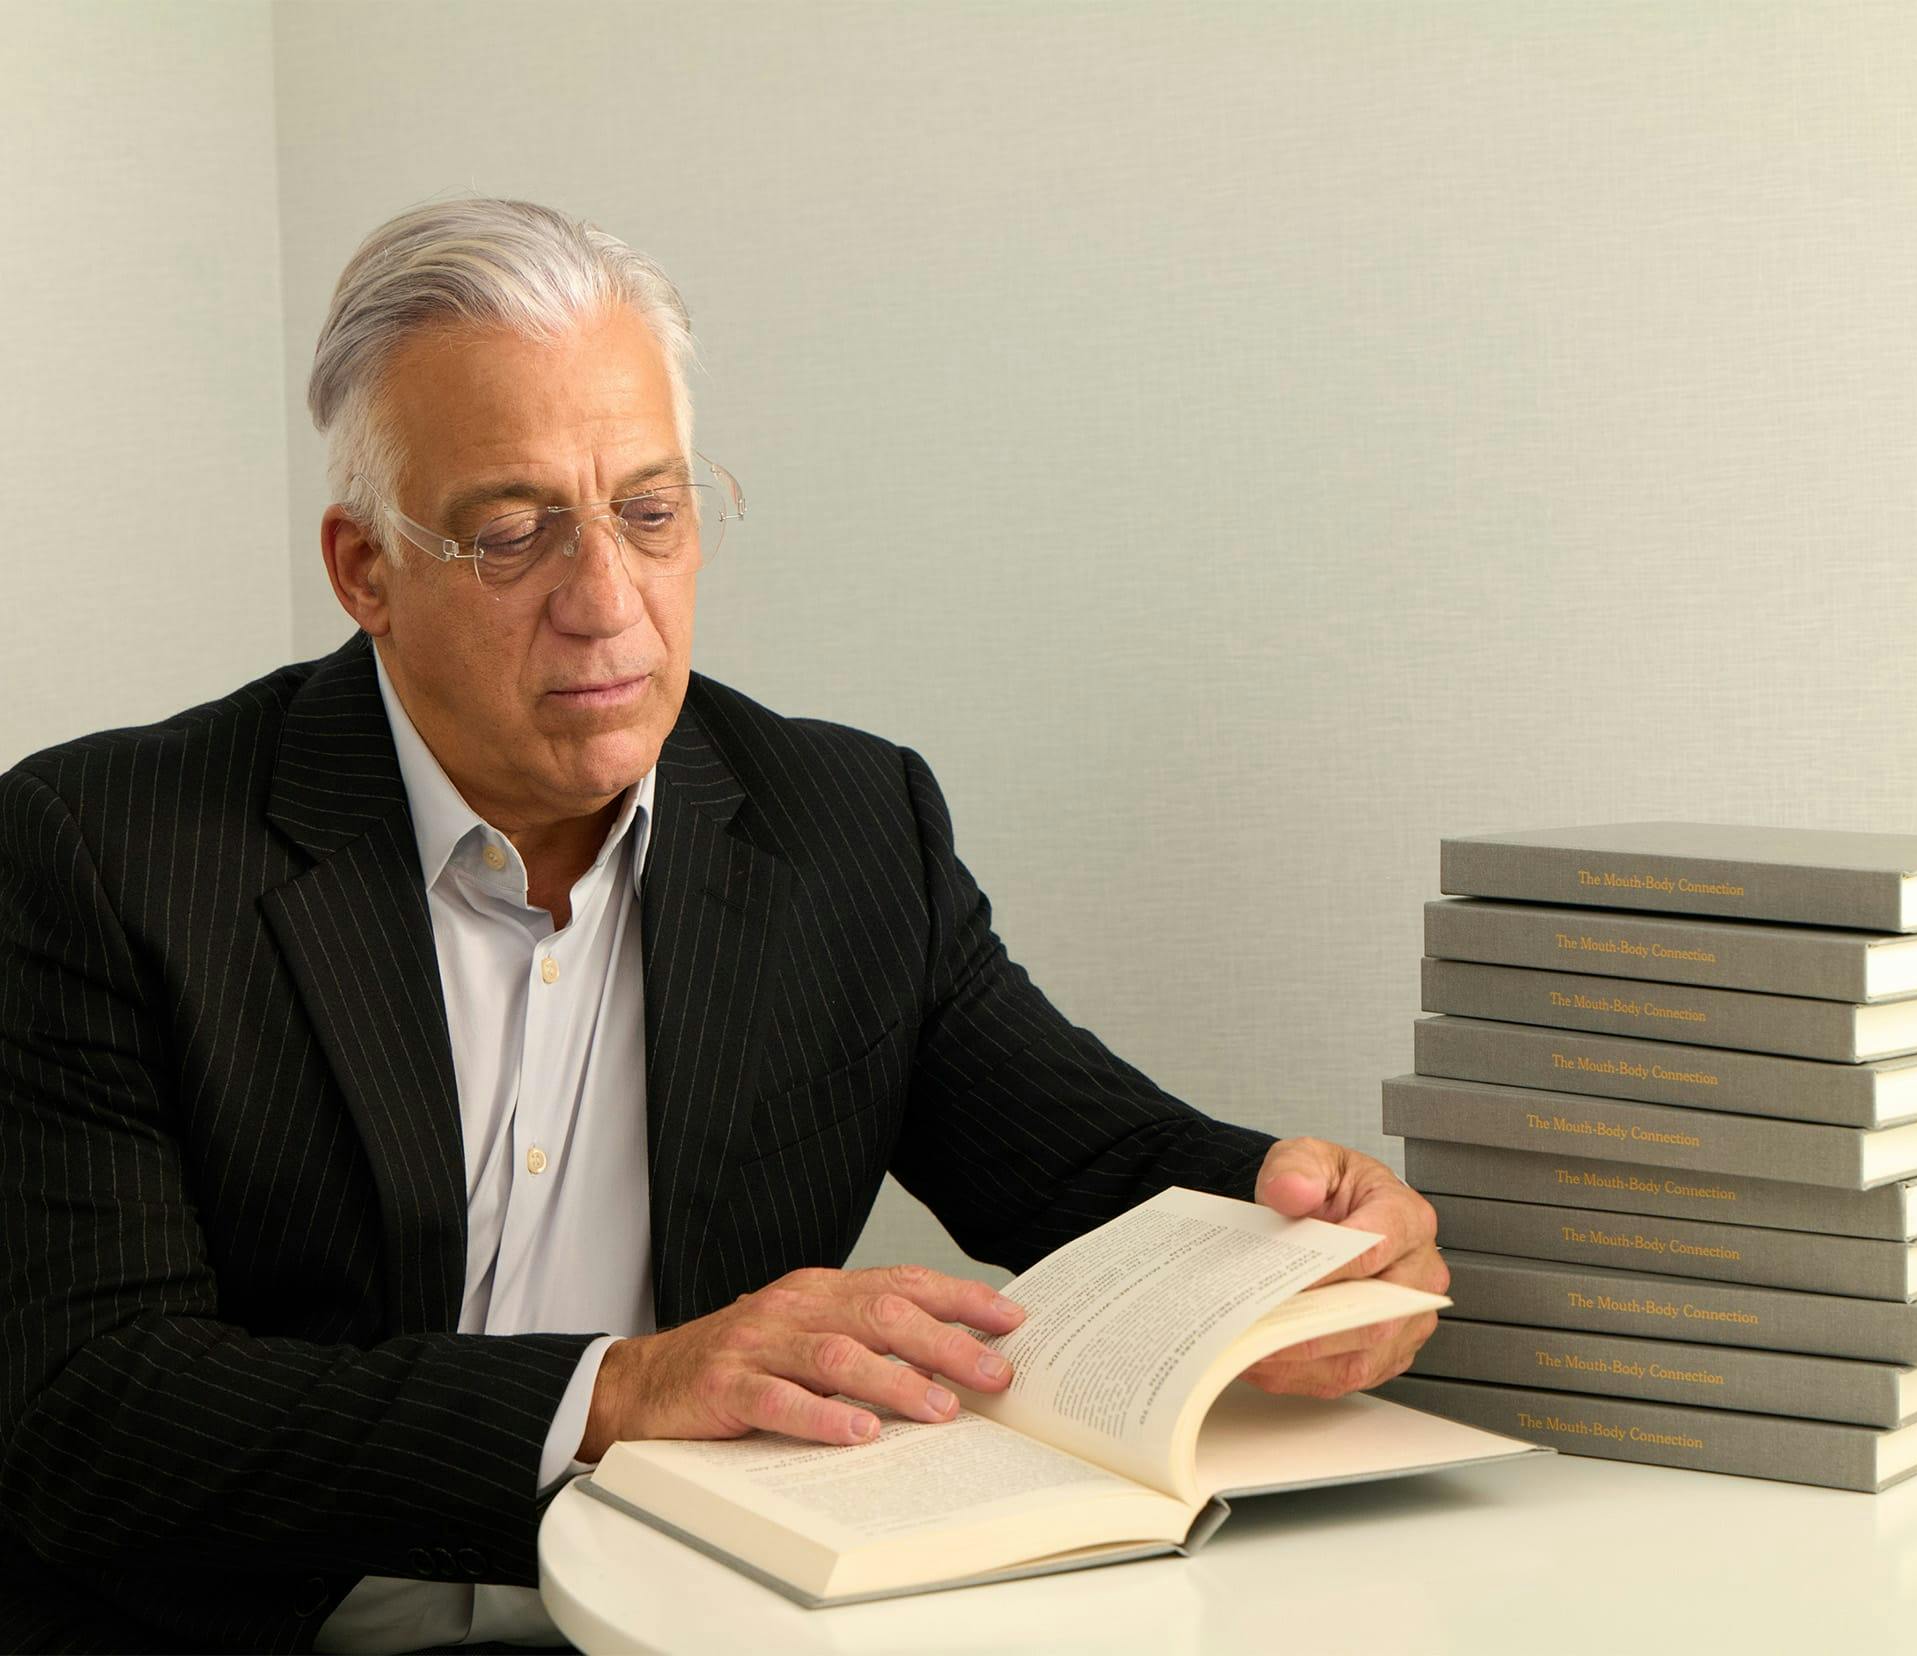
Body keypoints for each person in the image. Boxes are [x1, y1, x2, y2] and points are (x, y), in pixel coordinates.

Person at [0, 198, 1445, 1653]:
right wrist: (620, 1392)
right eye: (514, 534)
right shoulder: (102, 851)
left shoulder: (842, 825)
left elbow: (1093, 1163)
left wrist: (1301, 1235)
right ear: (366, 568)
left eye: (649, 512)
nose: (607, 602)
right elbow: (90, 1408)